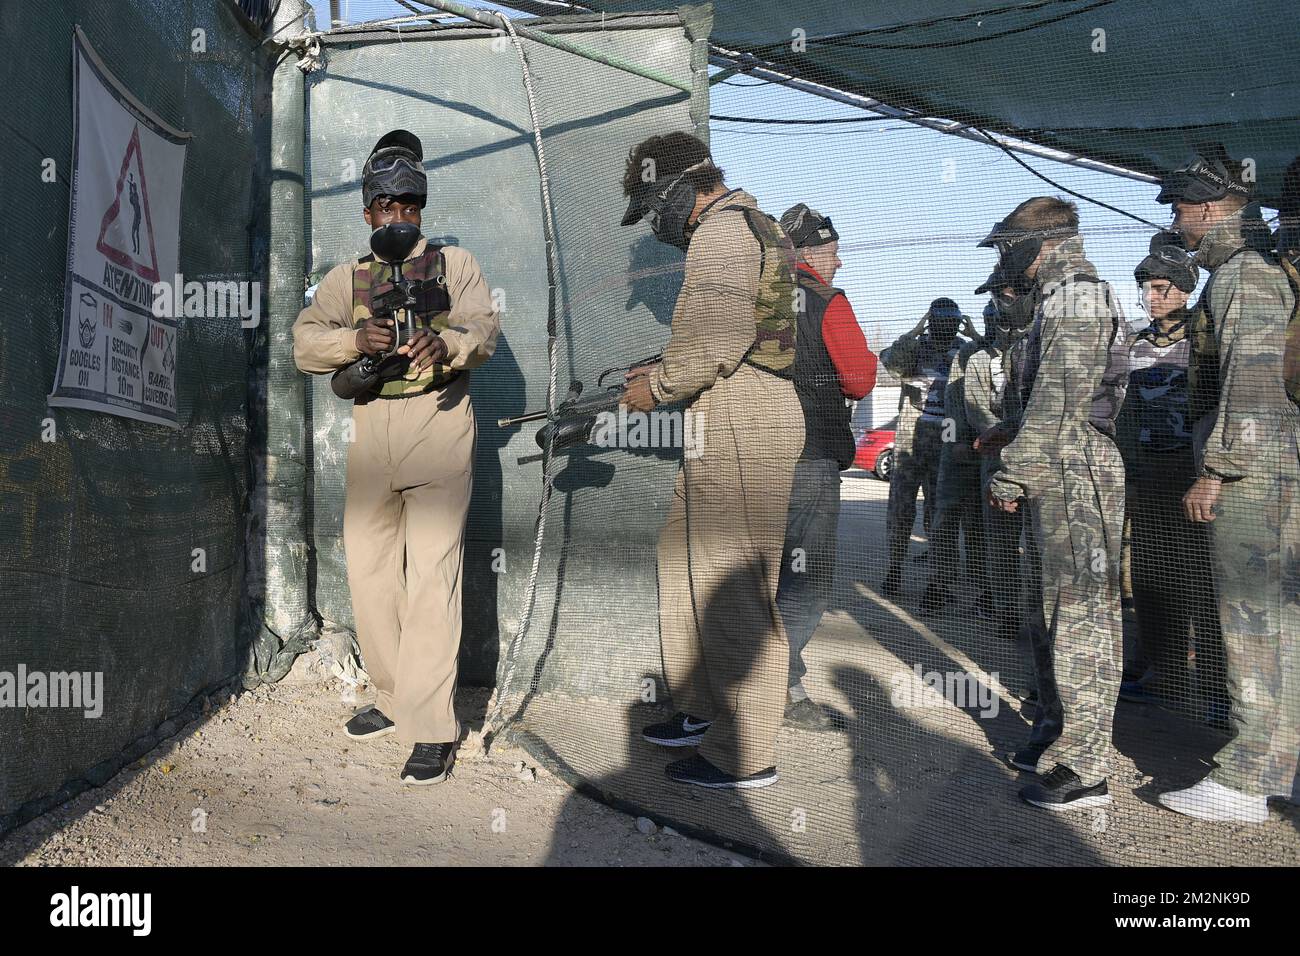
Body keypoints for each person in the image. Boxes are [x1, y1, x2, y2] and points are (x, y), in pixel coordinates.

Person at [292, 129, 500, 785]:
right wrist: (354, 337)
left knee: (432, 576)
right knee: (372, 573)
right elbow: (303, 344)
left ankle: (432, 728)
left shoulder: (456, 264)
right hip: (372, 431)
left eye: (409, 204)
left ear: (421, 208)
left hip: (437, 426)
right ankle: (390, 695)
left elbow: (485, 328)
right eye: (386, 205)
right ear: (367, 212)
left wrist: (448, 346)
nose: (398, 216)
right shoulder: (345, 278)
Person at [621, 132, 804, 789]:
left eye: (652, 208)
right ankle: (701, 709)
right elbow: (712, 342)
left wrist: (656, 387)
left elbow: (717, 344)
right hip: (724, 406)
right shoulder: (738, 227)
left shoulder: (722, 233)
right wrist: (660, 369)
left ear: (680, 191)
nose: (655, 224)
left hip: (743, 412)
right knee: (685, 564)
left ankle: (745, 752)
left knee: (734, 583)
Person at [1154, 149, 1300, 823]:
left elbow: (1253, 380)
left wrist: (1216, 470)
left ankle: (1249, 780)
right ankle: (1276, 765)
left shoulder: (1243, 274)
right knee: (1278, 626)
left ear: (1209, 210)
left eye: (1181, 210)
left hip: (1256, 474)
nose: (1179, 224)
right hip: (1274, 469)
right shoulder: (1253, 270)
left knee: (1253, 626)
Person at [983, 197, 1129, 811]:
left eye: (1007, 245)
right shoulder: (1056, 299)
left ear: (1036, 244)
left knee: (1081, 620)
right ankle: (1056, 733)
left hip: (1074, 464)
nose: (1003, 259)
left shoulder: (1075, 296)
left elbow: (1059, 401)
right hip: (1060, 464)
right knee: (1049, 615)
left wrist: (1015, 473)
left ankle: (1086, 768)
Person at [1113, 232, 1227, 723]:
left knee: (1207, 586)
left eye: (1162, 287)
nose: (1151, 297)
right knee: (1154, 582)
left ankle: (1220, 690)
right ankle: (1166, 674)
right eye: (1146, 288)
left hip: (1196, 479)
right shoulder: (1133, 346)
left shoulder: (1208, 341)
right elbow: (1121, 415)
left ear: (1185, 289)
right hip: (1150, 478)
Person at [774, 203, 877, 730]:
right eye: (834, 253)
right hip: (809, 456)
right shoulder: (826, 301)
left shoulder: (757, 295)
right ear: (810, 253)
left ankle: (733, 682)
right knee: (803, 578)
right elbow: (860, 381)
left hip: (754, 453)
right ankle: (785, 691)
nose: (840, 264)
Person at [879, 298, 966, 598]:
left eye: (950, 322)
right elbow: (891, 363)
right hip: (910, 436)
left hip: (946, 437)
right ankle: (894, 569)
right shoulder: (915, 349)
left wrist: (977, 338)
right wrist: (915, 331)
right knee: (901, 510)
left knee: (939, 513)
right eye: (940, 322)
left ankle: (938, 583)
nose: (946, 328)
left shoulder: (964, 351)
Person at [920, 304, 989, 617]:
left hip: (988, 447)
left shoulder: (986, 352)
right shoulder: (964, 356)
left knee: (979, 524)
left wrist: (978, 339)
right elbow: (953, 401)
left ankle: (986, 590)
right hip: (958, 447)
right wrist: (958, 440)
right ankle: (940, 585)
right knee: (945, 518)